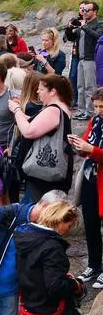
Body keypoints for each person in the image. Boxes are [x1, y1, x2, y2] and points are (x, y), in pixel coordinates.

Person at [8, 74, 73, 202]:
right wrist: (20, 112)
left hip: (44, 174)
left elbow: (28, 131)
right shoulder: (60, 107)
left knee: (31, 211)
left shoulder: (53, 110)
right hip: (47, 174)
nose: (38, 92)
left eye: (41, 89)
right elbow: (34, 123)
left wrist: (16, 110)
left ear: (53, 91)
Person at [68, 88, 103, 287]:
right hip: (91, 177)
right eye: (96, 106)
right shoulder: (95, 120)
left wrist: (92, 150)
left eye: (101, 106)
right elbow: (87, 145)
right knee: (90, 223)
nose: (98, 110)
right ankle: (94, 264)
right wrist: (78, 145)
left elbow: (94, 150)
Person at [66, 0, 103, 120]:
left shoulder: (99, 24)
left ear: (95, 11)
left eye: (87, 10)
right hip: (80, 59)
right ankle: (81, 110)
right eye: (83, 10)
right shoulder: (83, 25)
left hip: (91, 58)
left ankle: (91, 111)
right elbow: (71, 37)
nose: (84, 12)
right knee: (80, 86)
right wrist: (69, 28)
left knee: (90, 87)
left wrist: (84, 27)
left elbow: (98, 37)